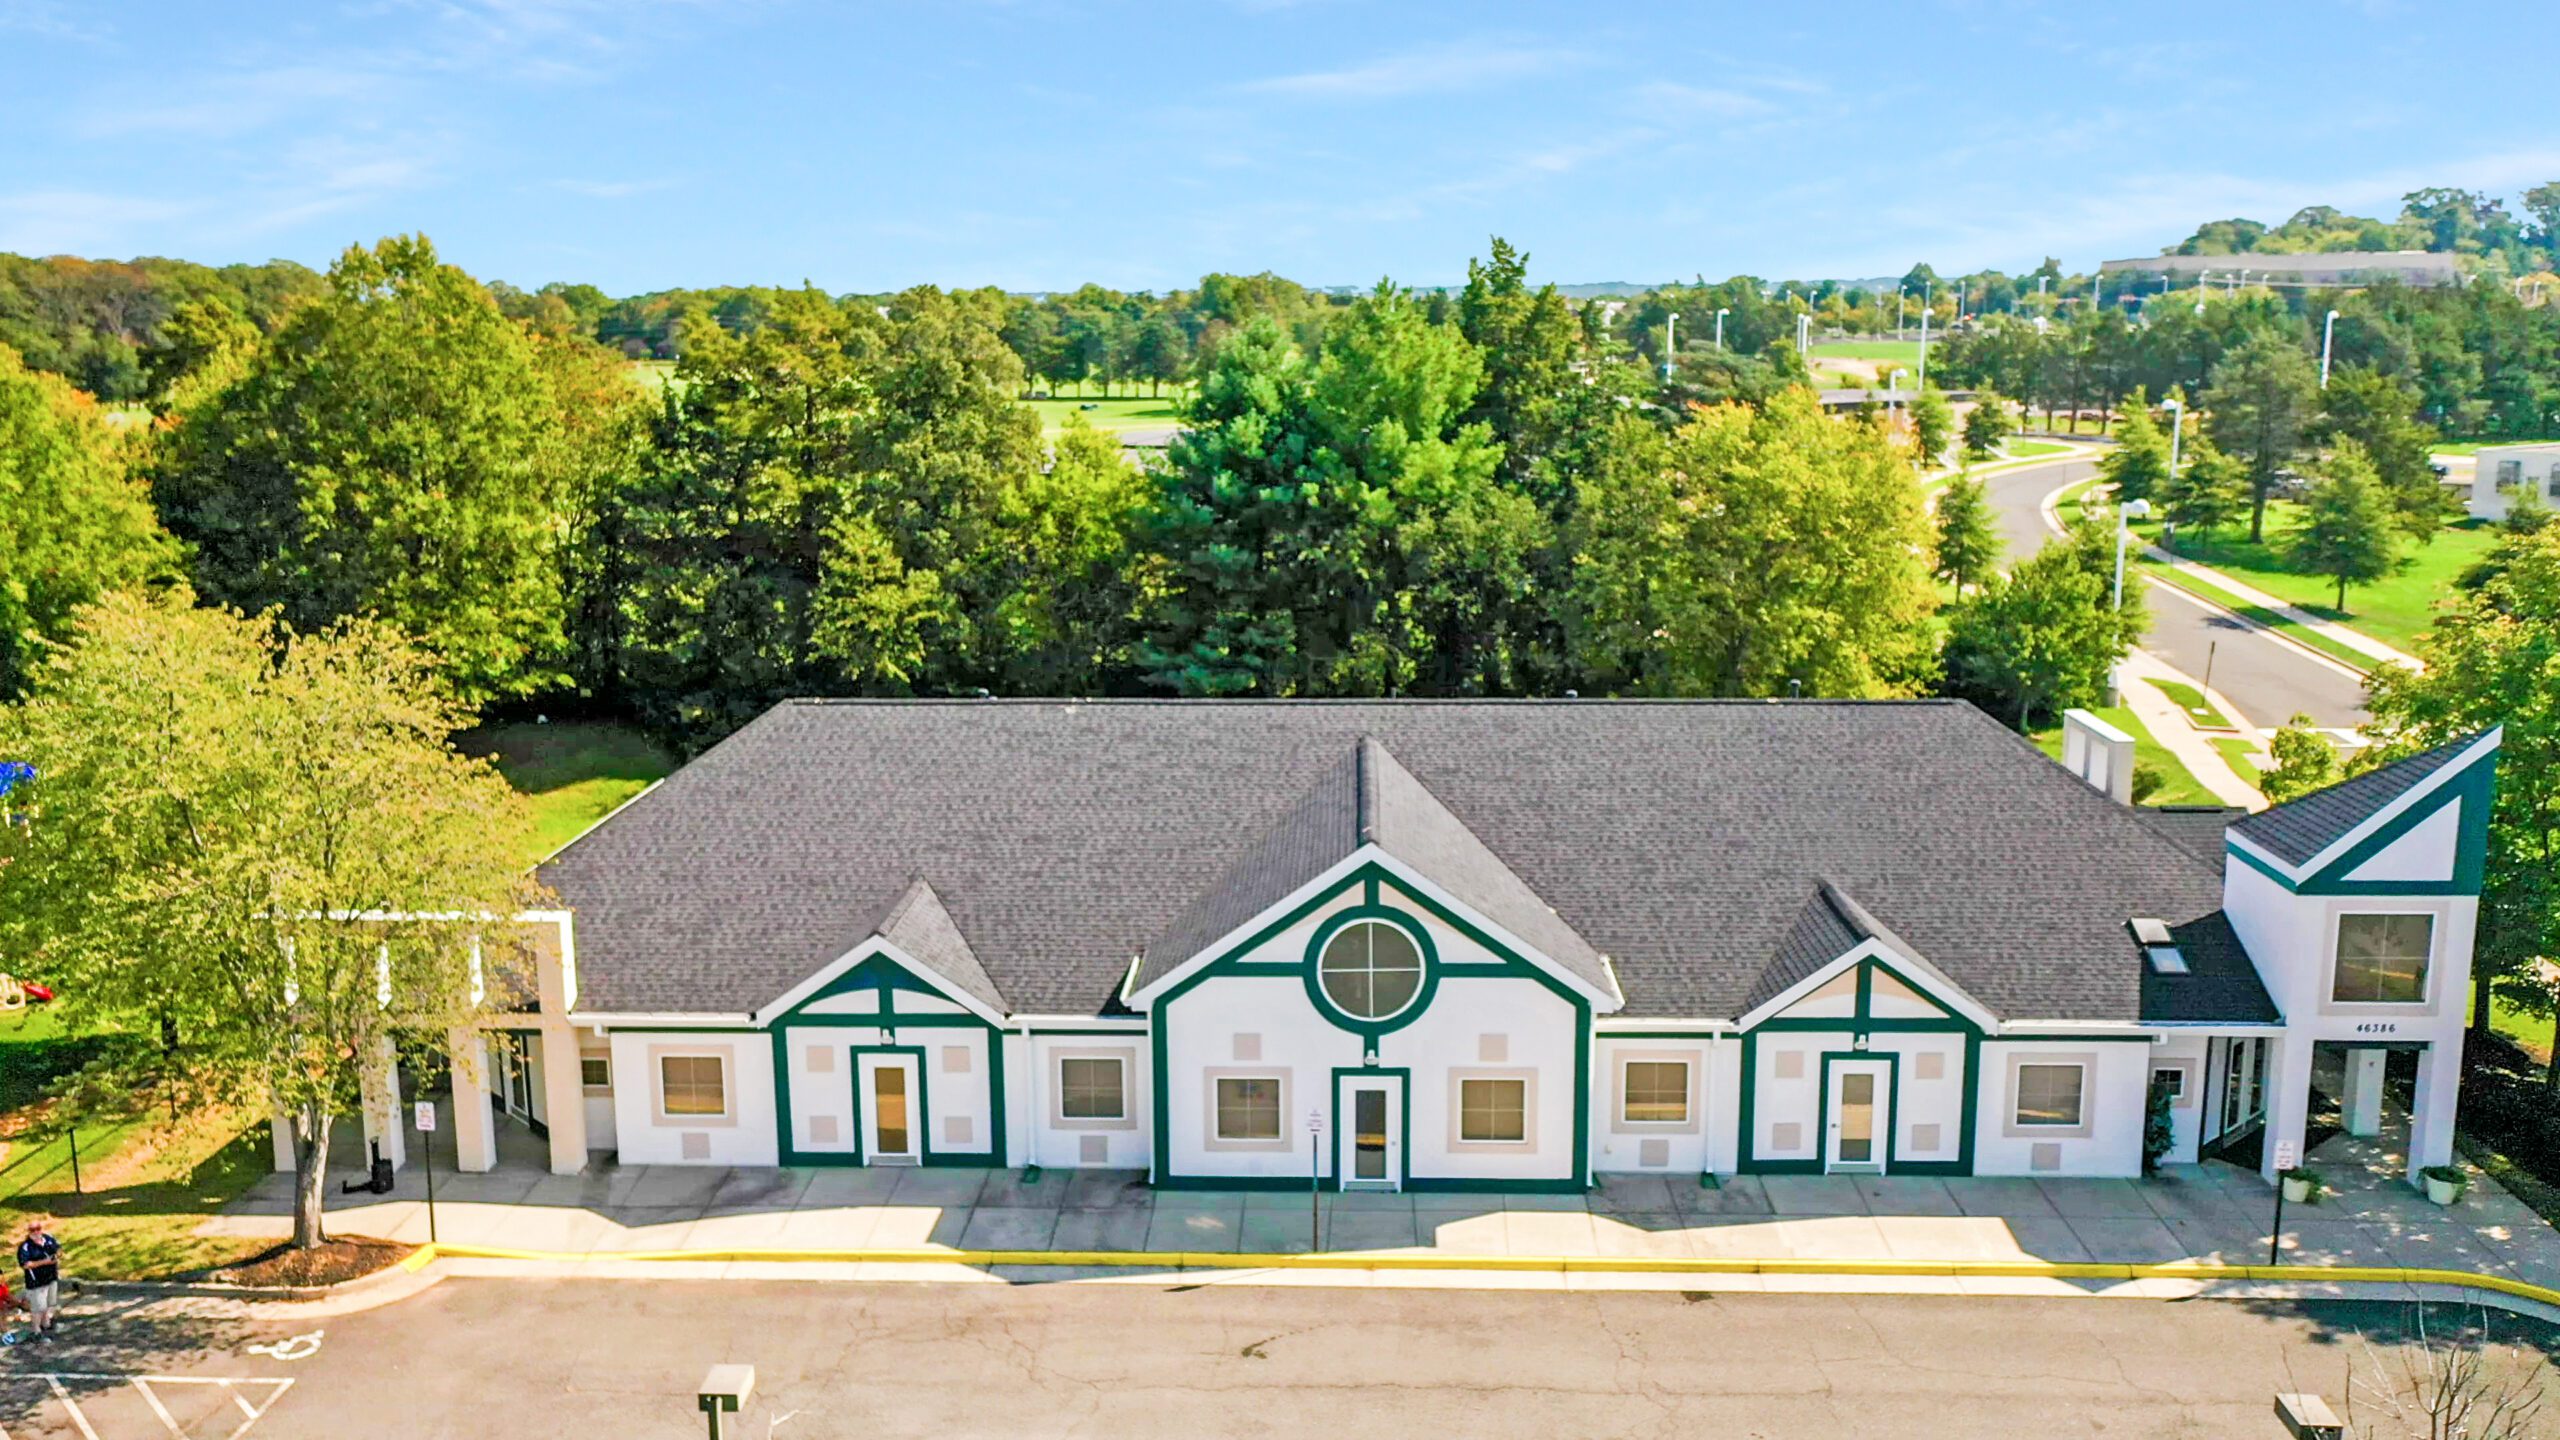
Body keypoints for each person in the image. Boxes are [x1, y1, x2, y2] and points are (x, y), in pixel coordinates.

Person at [16, 1220, 59, 1341]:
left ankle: (46, 1323)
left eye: (38, 1228)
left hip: (51, 1277)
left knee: (48, 1303)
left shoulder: (48, 1239)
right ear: (28, 1232)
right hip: (36, 1282)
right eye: (32, 1230)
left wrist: (57, 1256)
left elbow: (58, 1249)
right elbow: (25, 1264)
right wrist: (45, 1262)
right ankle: (36, 1331)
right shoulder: (25, 1247)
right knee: (37, 1308)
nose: (36, 1232)